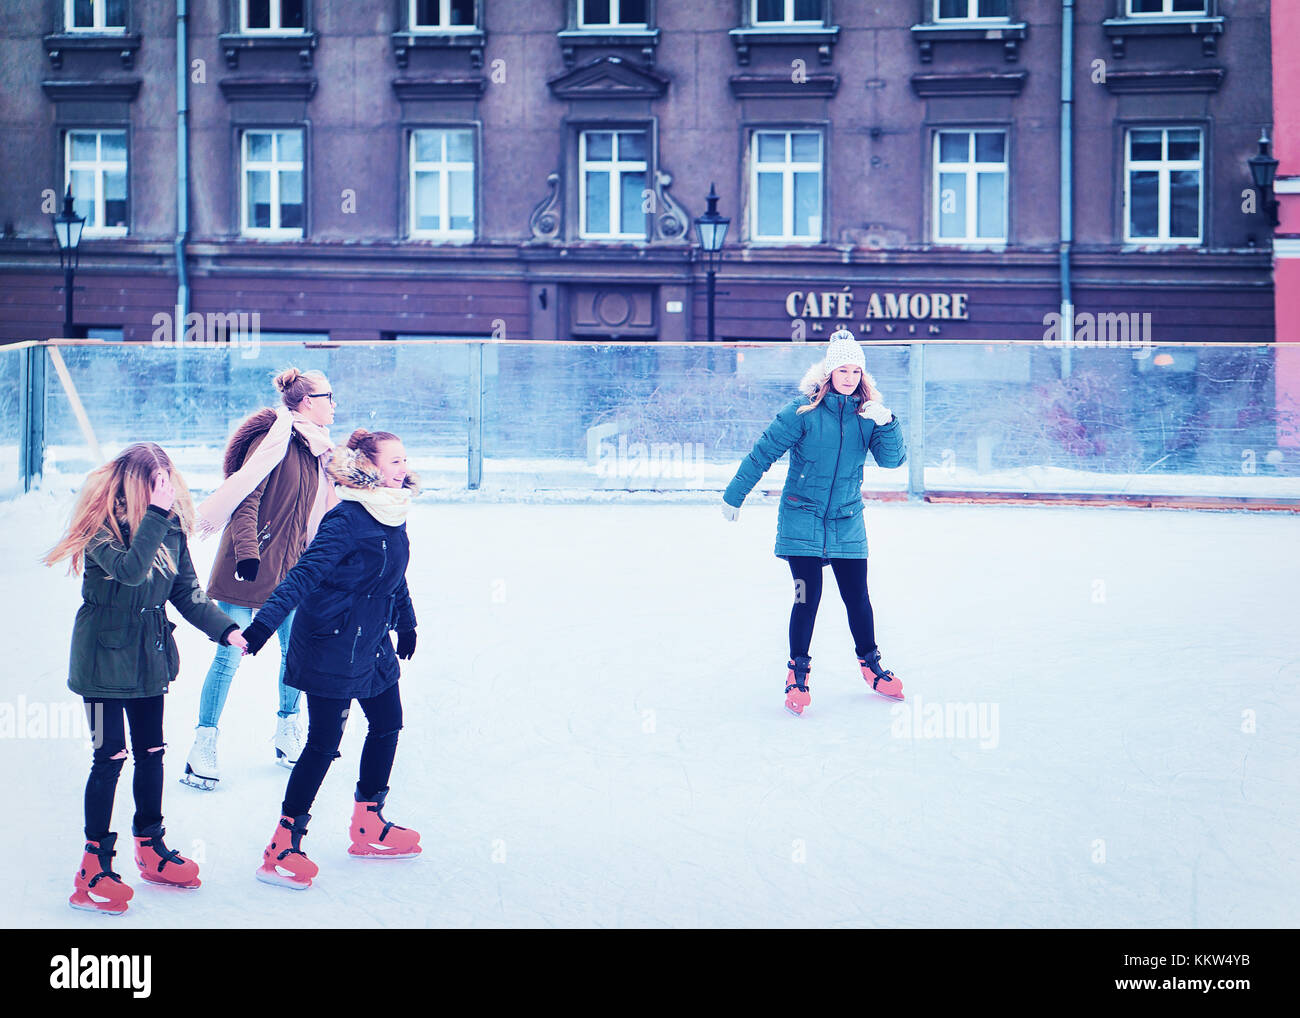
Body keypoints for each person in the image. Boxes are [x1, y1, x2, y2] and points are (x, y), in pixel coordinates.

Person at [43, 443, 246, 914]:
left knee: (152, 753)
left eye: (169, 479)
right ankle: (93, 866)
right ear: (137, 483)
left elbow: (187, 592)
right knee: (109, 756)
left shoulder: (169, 527)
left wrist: (227, 630)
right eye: (158, 480)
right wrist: (156, 513)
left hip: (149, 657)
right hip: (99, 660)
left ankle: (150, 847)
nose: (168, 488)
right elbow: (132, 573)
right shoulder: (101, 527)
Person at [242, 429, 421, 889]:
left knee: (388, 723)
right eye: (395, 462)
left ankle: (368, 823)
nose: (404, 469)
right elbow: (303, 575)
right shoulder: (346, 518)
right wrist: (262, 627)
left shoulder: (392, 512)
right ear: (370, 467)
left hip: (373, 637)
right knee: (323, 743)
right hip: (331, 641)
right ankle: (283, 844)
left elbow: (393, 575)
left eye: (404, 460)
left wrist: (407, 621)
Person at [721, 330, 907, 716]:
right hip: (801, 519)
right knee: (807, 597)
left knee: (858, 597)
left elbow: (892, 461)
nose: (850, 376)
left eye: (857, 370)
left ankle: (871, 666)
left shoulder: (867, 415)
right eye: (843, 369)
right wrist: (734, 494)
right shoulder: (802, 411)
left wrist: (888, 423)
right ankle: (797, 673)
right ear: (828, 371)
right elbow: (762, 452)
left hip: (846, 519)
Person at [181, 367, 338, 790]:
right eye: (329, 397)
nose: (334, 405)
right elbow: (245, 495)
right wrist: (248, 553)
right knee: (230, 655)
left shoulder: (317, 449)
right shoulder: (273, 440)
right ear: (307, 402)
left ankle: (288, 729)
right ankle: (203, 745)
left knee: (295, 652)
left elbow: (317, 512)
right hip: (249, 566)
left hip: (293, 570)